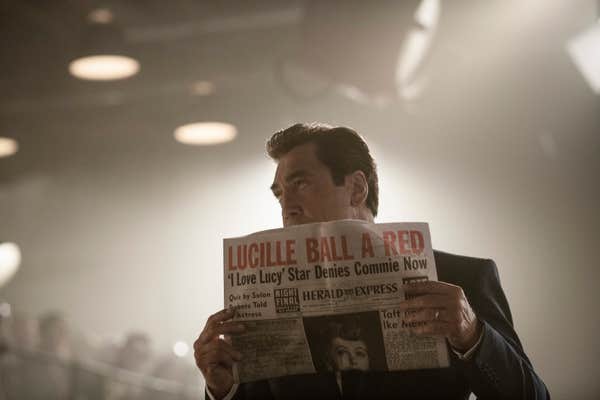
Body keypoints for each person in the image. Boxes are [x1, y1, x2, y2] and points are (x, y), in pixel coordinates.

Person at [194, 123, 550, 399]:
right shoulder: (265, 294)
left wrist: (473, 335)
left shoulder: (460, 278)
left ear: (357, 188)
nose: (287, 206)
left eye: (300, 184)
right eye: (279, 194)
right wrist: (223, 389)